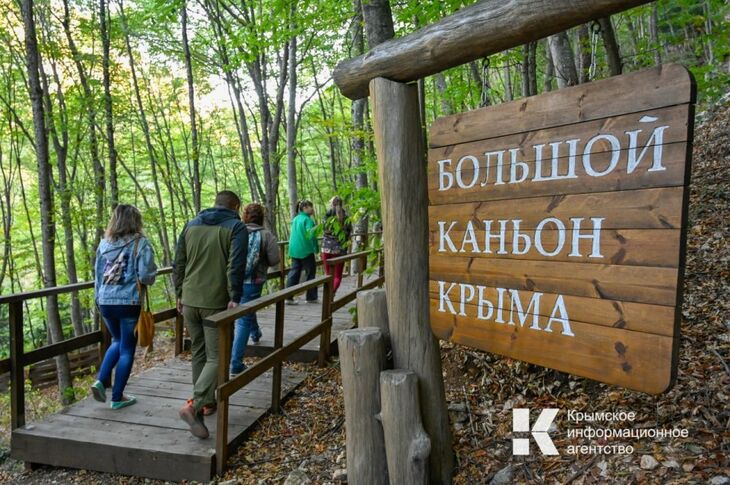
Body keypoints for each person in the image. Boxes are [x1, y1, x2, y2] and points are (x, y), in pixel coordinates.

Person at [173, 191, 248, 439]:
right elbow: (235, 264)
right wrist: (234, 295)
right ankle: (194, 405)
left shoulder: (191, 224)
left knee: (199, 352)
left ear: (216, 203)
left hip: (190, 299)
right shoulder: (236, 227)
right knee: (218, 356)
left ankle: (207, 403)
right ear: (235, 207)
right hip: (215, 301)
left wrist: (179, 293)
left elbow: (179, 262)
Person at [92, 204, 157, 410]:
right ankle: (117, 397)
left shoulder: (104, 244)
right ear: (136, 221)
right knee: (127, 348)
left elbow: (97, 277)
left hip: (105, 301)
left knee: (117, 340)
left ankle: (101, 380)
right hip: (128, 302)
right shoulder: (140, 243)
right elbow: (146, 276)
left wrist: (98, 299)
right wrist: (152, 272)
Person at [230, 203, 281, 375]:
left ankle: (255, 333)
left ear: (244, 216)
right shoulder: (266, 235)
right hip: (254, 281)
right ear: (261, 217)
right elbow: (274, 260)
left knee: (246, 310)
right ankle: (235, 363)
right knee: (243, 319)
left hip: (233, 280)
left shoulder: (235, 232)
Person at [286, 200, 319, 304]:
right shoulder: (308, 220)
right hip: (306, 250)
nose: (312, 209)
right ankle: (311, 297)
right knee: (310, 273)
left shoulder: (296, 219)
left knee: (294, 273)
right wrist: (316, 247)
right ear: (304, 208)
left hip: (294, 250)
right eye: (310, 207)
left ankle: (288, 297)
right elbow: (311, 235)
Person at [321, 196, 352, 295]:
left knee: (328, 275)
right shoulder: (346, 217)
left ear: (331, 204)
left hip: (326, 249)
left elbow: (323, 230)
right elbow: (348, 234)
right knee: (337, 276)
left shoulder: (327, 216)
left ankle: (328, 295)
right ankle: (331, 294)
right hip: (339, 250)